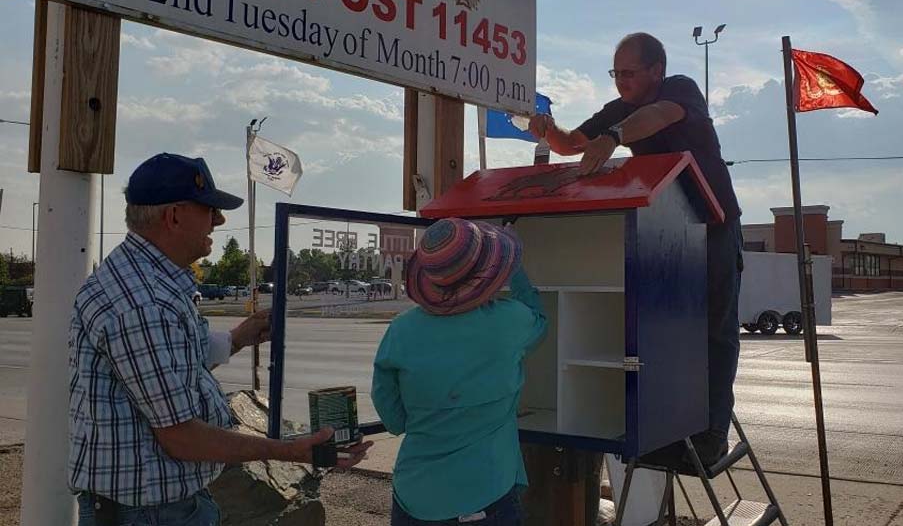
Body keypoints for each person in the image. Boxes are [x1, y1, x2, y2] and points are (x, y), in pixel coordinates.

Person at [69, 153, 372, 526]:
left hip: (164, 506)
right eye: (208, 208)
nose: (219, 220)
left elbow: (174, 365)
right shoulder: (141, 301)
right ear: (174, 215)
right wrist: (287, 451)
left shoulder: (149, 282)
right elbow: (181, 437)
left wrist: (238, 339)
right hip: (151, 514)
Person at [528, 32, 743, 469]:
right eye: (615, 73)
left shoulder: (679, 90)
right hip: (661, 238)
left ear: (656, 71)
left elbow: (655, 118)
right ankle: (667, 428)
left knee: (714, 333)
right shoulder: (618, 110)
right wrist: (549, 130)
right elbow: (574, 143)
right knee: (661, 332)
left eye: (628, 73)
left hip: (713, 227)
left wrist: (614, 136)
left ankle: (712, 433)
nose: (620, 82)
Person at [372, 217, 547, 526]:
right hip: (486, 492)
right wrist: (514, 266)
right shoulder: (509, 322)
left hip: (415, 494)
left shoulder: (401, 330)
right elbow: (538, 316)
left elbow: (393, 418)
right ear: (488, 274)